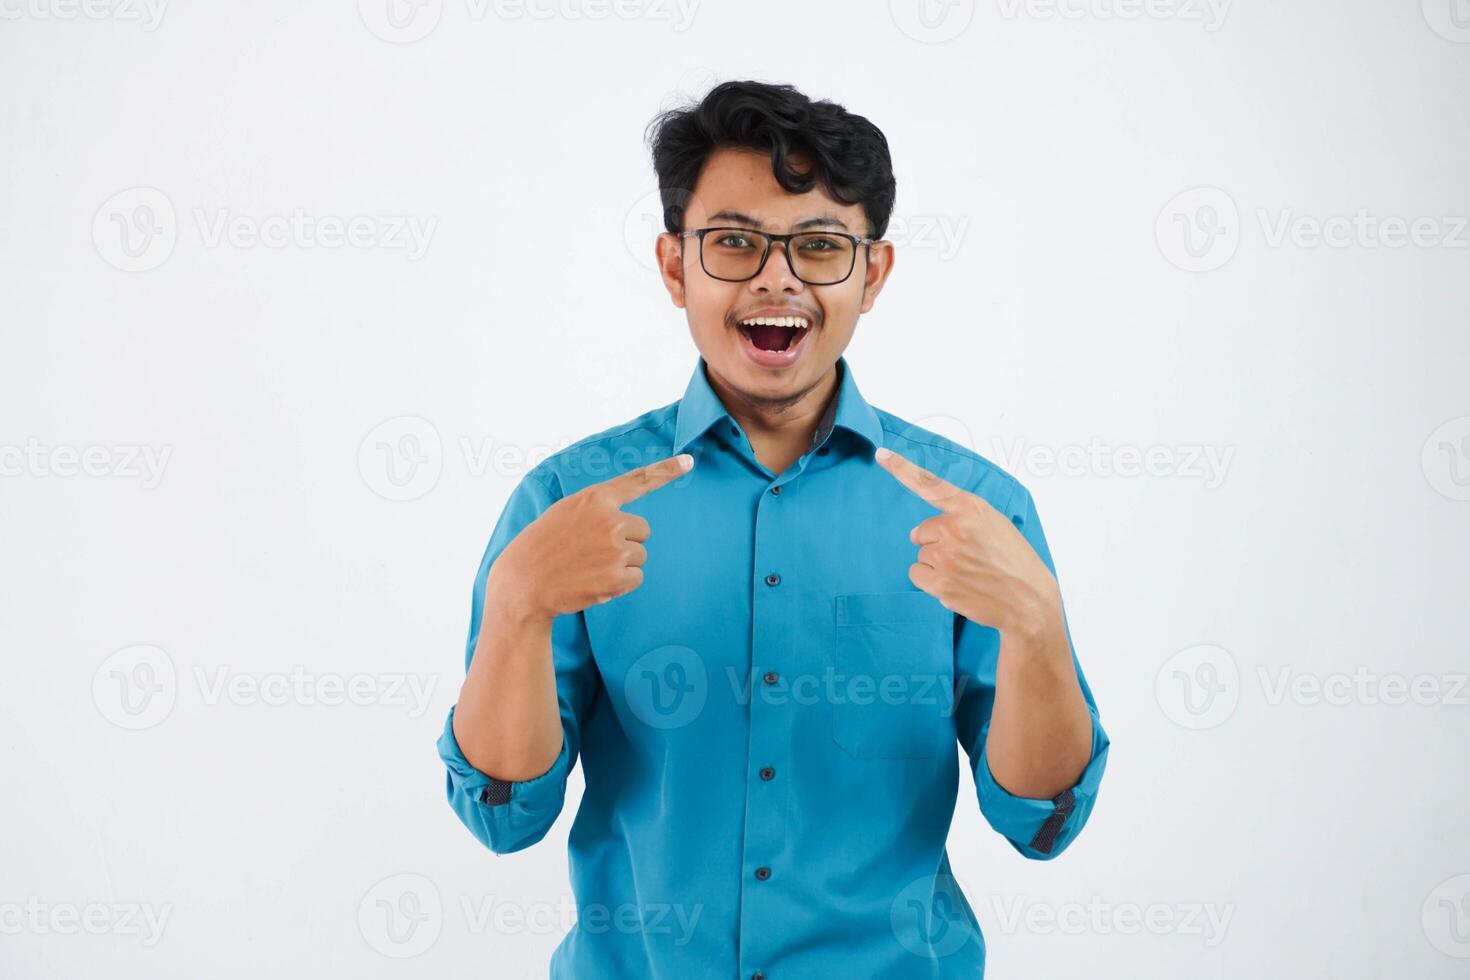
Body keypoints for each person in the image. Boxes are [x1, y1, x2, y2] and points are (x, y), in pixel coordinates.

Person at [436, 79, 1111, 979]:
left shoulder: (974, 511)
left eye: (821, 246)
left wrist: (1037, 626)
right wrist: (516, 606)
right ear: (676, 266)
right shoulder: (568, 504)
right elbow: (504, 816)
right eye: (735, 243)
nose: (777, 277)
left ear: (872, 274)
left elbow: (1040, 820)